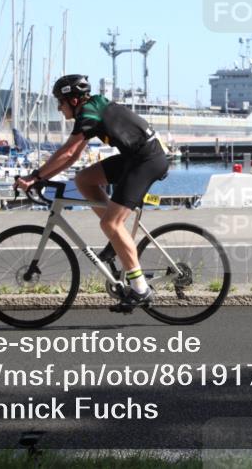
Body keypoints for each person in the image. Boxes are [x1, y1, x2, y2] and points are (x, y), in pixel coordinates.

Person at [14, 74, 169, 312]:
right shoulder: (91, 110)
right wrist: (43, 177)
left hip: (146, 161)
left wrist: (35, 177)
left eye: (60, 102)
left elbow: (67, 152)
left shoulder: (89, 113)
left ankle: (140, 288)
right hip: (134, 158)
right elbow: (73, 156)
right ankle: (117, 240)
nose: (58, 107)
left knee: (111, 224)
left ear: (73, 100)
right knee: (84, 179)